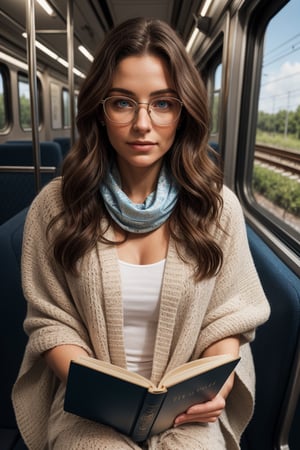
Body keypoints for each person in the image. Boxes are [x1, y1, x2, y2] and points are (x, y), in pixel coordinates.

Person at [12, 17, 270, 450]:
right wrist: (101, 397)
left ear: (183, 110)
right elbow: (51, 323)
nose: (143, 124)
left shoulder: (218, 207)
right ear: (100, 109)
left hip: (188, 409)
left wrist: (216, 392)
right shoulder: (56, 207)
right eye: (123, 103)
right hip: (88, 411)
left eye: (163, 103)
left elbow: (231, 316)